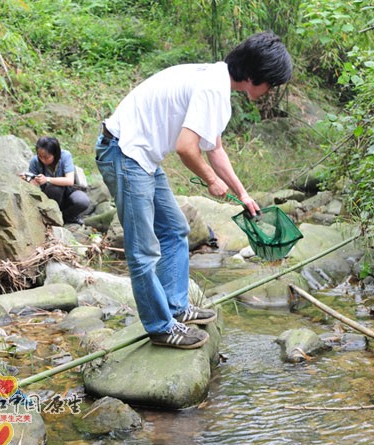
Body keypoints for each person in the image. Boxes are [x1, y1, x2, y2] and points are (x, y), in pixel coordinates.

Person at [95, 31, 292, 349]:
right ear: (256, 75)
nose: (270, 91)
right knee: (143, 250)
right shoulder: (212, 86)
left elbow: (214, 148)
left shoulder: (217, 82)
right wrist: (212, 181)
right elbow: (187, 148)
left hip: (141, 156)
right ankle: (161, 327)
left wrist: (242, 193)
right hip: (124, 153)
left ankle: (176, 307)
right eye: (271, 83)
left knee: (175, 229)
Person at [22, 136, 90, 225]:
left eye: (46, 157)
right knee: (55, 189)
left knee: (82, 201)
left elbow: (69, 180)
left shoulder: (65, 156)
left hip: (69, 192)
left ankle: (66, 217)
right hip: (50, 196)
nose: (42, 160)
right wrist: (27, 179)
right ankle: (52, 216)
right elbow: (33, 186)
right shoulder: (35, 161)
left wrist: (47, 179)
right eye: (40, 156)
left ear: (55, 153)